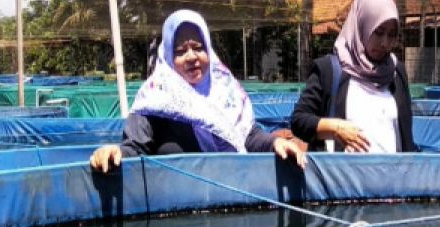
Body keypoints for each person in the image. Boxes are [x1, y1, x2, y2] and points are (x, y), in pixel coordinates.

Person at [90, 9, 306, 172]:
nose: (192, 57)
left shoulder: (226, 91)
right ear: (168, 57)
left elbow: (248, 138)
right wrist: (114, 152)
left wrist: (274, 142)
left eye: (199, 48)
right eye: (181, 51)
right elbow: (134, 148)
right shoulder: (153, 101)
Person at [291, 0, 415, 152]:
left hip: (392, 175)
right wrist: (335, 128)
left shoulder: (396, 72)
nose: (385, 43)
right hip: (343, 176)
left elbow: (406, 136)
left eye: (391, 35)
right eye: (378, 32)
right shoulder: (329, 70)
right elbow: (299, 121)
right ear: (361, 25)